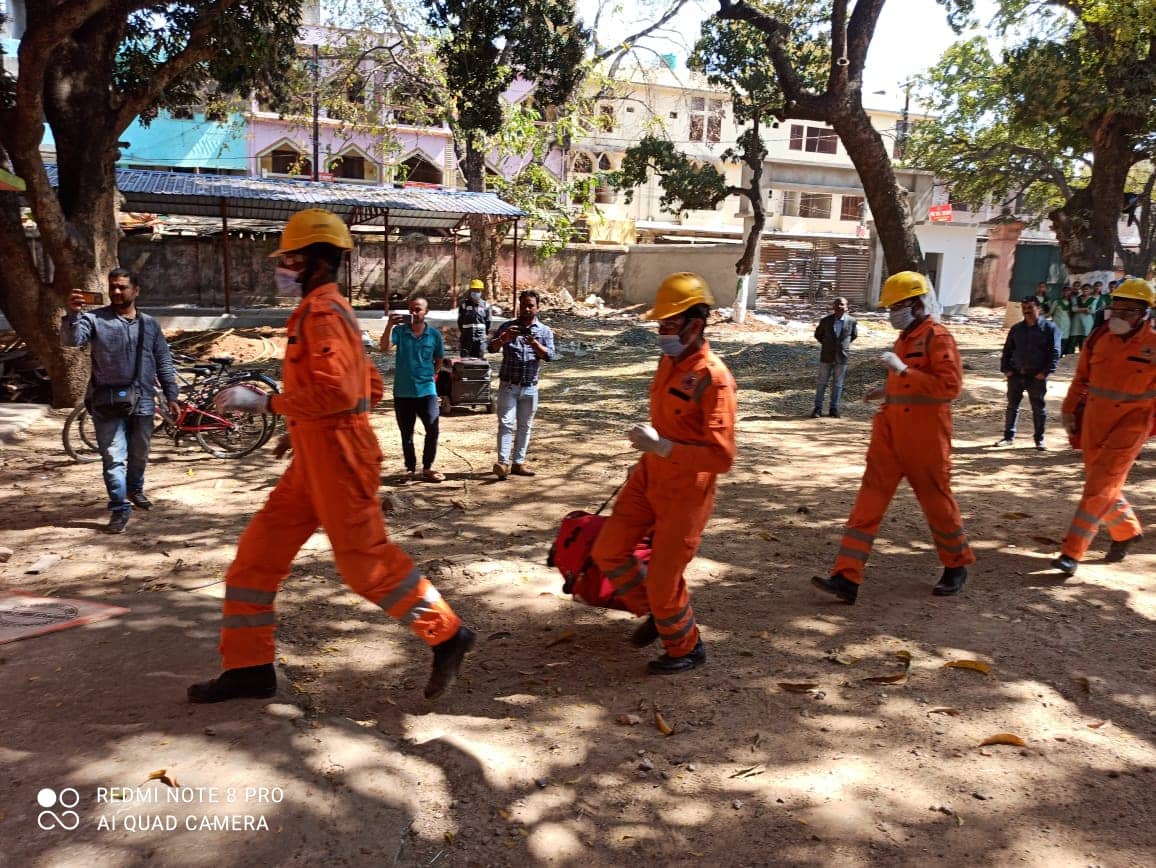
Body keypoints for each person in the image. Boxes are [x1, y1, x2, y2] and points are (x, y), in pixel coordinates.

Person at [188, 209, 474, 704]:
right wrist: (301, 429)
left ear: (312, 262)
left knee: (365, 565)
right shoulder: (328, 312)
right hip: (317, 457)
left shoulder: (323, 314)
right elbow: (372, 386)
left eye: (290, 258)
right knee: (254, 561)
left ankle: (448, 634)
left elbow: (342, 394)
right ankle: (249, 669)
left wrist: (269, 403)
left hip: (339, 460)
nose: (283, 268)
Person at [591, 273, 737, 674]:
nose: (662, 333)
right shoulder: (668, 363)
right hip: (649, 475)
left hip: (686, 490)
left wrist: (666, 447)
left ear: (696, 323)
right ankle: (659, 612)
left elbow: (722, 457)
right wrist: (654, 449)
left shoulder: (714, 378)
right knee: (607, 551)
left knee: (663, 578)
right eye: (661, 325)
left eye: (670, 325)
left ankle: (687, 648)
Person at [812, 271, 975, 604]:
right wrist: (886, 389)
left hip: (925, 438)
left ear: (915, 304)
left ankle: (956, 564)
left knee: (937, 504)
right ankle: (846, 576)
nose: (891, 313)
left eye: (896, 306)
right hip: (890, 435)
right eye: (890, 307)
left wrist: (904, 371)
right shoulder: (906, 337)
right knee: (866, 505)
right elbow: (910, 386)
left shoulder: (937, 337)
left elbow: (949, 387)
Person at [61, 269, 181, 534]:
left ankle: (135, 490)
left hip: (144, 401)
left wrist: (172, 395)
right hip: (106, 400)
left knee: (140, 453)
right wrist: (73, 314)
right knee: (113, 457)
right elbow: (72, 340)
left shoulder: (149, 324)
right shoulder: (93, 319)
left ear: (136, 290)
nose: (116, 292)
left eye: (123, 287)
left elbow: (163, 360)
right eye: (113, 287)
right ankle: (118, 507)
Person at [1050, 278, 1156, 576]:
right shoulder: (1098, 338)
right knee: (1103, 483)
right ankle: (1127, 531)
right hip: (1094, 420)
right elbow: (1081, 378)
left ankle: (1071, 553)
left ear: (1146, 313)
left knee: (1098, 486)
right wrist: (1069, 410)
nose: (1120, 315)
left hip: (1131, 423)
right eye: (1117, 307)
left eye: (1129, 310)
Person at [489, 290, 556, 479]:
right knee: (506, 423)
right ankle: (502, 463)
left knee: (525, 425)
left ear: (538, 308)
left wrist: (535, 343)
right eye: (523, 305)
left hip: (530, 386)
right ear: (518, 306)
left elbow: (550, 355)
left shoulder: (544, 331)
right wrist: (504, 338)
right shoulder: (507, 327)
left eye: (530, 306)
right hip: (509, 385)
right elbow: (490, 347)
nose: (526, 309)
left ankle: (518, 463)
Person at [382, 297, 445, 483]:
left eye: (417, 309)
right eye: (411, 309)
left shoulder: (434, 335)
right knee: (406, 433)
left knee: (432, 429)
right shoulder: (400, 331)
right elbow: (384, 348)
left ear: (426, 312)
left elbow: (439, 360)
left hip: (427, 391)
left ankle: (428, 467)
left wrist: (430, 377)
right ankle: (410, 468)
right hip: (403, 391)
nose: (413, 313)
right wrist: (388, 326)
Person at [994, 296, 1062, 450]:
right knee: (1012, 406)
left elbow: (1055, 352)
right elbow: (1007, 350)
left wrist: (1045, 372)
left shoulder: (1050, 328)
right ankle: (1008, 437)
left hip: (1037, 376)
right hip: (1016, 375)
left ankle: (1039, 440)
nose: (1027, 311)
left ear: (1038, 308)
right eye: (1024, 308)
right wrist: (1007, 370)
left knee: (1038, 408)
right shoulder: (1017, 329)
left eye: (1030, 307)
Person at [811, 296, 858, 418]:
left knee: (838, 384)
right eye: (837, 304)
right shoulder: (826, 321)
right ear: (833, 307)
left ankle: (834, 408)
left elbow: (853, 336)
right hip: (826, 356)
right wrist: (828, 345)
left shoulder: (852, 321)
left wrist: (841, 347)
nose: (839, 307)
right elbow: (818, 335)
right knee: (822, 383)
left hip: (842, 357)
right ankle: (817, 408)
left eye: (842, 304)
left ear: (847, 307)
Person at [457, 278, 491, 359]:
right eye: (474, 290)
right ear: (470, 291)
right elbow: (460, 321)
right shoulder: (464, 305)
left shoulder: (486, 305)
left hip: (481, 338)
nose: (475, 292)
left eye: (477, 290)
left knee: (479, 361)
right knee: (465, 360)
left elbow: (488, 322)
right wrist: (464, 333)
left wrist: (484, 334)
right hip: (466, 337)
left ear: (481, 291)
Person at [1069, 283, 1097, 352]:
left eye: (1087, 289)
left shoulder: (1093, 300)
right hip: (1076, 322)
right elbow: (1073, 309)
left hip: (1087, 322)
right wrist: (1085, 309)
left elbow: (1092, 311)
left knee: (1085, 341)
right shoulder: (1076, 299)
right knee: (1073, 340)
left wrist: (1079, 309)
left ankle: (1082, 356)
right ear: (1081, 290)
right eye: (1084, 289)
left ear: (1090, 290)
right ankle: (1069, 356)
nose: (1085, 291)